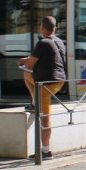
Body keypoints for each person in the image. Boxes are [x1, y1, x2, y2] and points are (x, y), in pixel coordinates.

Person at [17, 16, 67, 159]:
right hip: (59, 81)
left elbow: (31, 64)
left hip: (45, 83)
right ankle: (35, 102)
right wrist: (27, 59)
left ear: (42, 28)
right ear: (54, 28)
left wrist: (23, 62)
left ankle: (46, 151)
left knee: (45, 118)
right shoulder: (59, 42)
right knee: (28, 74)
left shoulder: (42, 43)